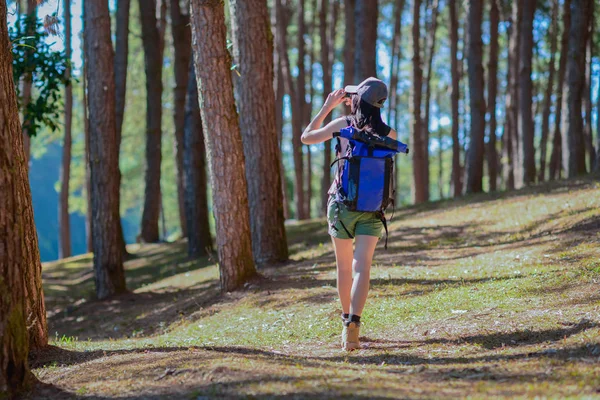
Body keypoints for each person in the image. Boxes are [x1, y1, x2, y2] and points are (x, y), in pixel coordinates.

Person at [301, 77, 398, 351]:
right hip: (372, 207)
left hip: (341, 204)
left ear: (357, 100)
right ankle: (354, 327)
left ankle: (346, 322)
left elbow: (306, 137)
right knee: (362, 268)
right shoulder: (390, 134)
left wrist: (327, 107)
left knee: (344, 268)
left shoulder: (343, 125)